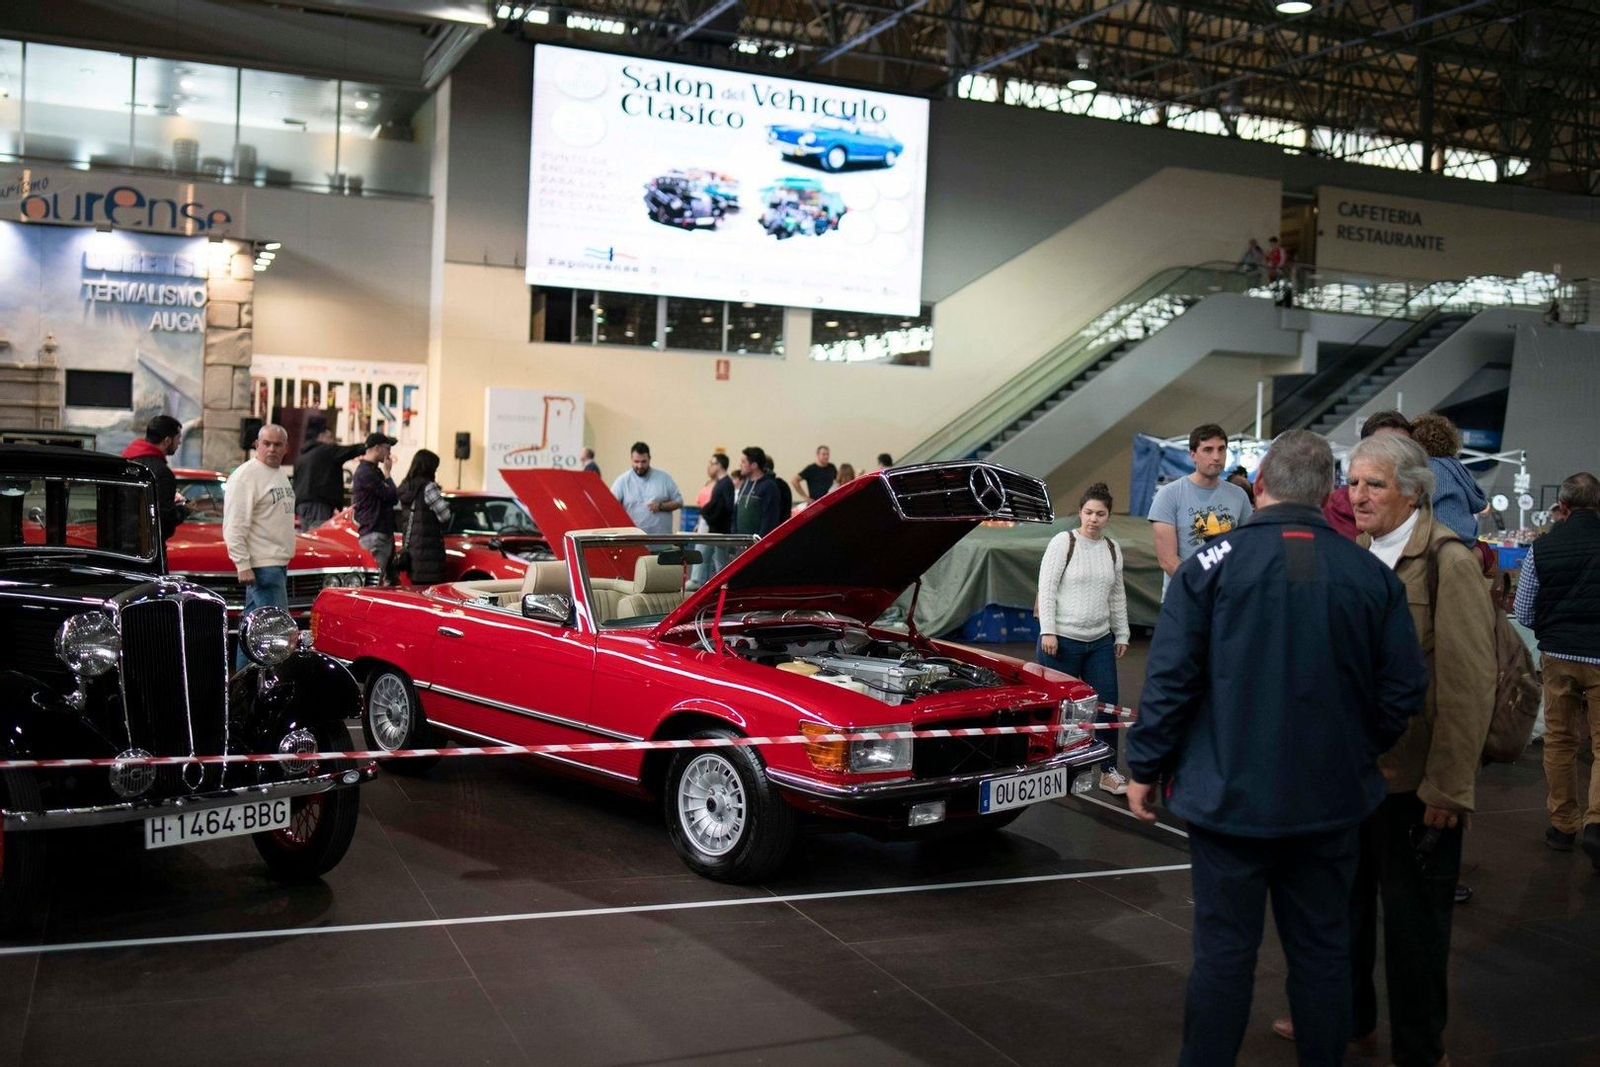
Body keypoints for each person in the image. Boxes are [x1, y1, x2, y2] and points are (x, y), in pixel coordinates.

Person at [1126, 430, 1427, 1067]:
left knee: (1223, 954)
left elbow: (1172, 678)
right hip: (1331, 801)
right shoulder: (1370, 576)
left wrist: (1144, 766)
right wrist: (1358, 746)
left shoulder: (1208, 568)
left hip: (1226, 799)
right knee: (1323, 952)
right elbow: (1403, 685)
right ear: (1328, 494)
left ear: (1257, 484)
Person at [1345, 431, 1497, 1066]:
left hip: (1416, 785)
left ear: (1411, 491)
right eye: (1352, 482)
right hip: (1354, 779)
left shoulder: (1448, 560)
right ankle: (1352, 1023)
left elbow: (1469, 683)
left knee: (1415, 930)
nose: (1358, 496)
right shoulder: (1357, 551)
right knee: (1347, 916)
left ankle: (1419, 1047)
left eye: (1373, 484)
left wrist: (1448, 787)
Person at [1514, 472, 1600, 868]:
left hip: (1558, 655)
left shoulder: (1542, 549)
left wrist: (1551, 632)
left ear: (1562, 507)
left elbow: (1526, 608)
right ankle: (1598, 824)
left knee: (1560, 740)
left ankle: (1562, 824)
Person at [1036, 483, 1130, 795]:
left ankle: (1108, 771)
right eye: (1088, 512)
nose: (1093, 518)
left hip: (1100, 641)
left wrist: (1123, 632)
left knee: (1107, 707)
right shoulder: (1063, 542)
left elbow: (1117, 594)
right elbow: (1046, 589)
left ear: (1108, 516)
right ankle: (1054, 770)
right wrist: (1047, 630)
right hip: (1061, 640)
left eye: (1100, 514)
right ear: (1080, 513)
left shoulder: (1112, 549)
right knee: (1063, 711)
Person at [223, 424, 297, 667]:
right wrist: (242, 564)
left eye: (277, 444)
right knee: (274, 634)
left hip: (276, 564)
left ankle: (244, 690)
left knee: (254, 630)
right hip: (262, 567)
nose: (272, 449)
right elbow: (234, 525)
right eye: (267, 443)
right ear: (257, 444)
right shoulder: (245, 476)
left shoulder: (279, 474)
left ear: (286, 448)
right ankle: (261, 690)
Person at [1149, 423, 1253, 597]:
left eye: (1221, 449)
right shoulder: (1169, 495)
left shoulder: (1239, 496)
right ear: (1193, 455)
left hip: (1226, 599)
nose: (1216, 456)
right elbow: (1168, 561)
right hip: (1185, 599)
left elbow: (1247, 549)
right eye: (1208, 450)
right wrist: (1206, 586)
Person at [1324, 410, 1412, 539]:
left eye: (1404, 450)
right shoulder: (1335, 510)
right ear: (1364, 452)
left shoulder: (1422, 502)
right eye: (1385, 449)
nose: (1396, 458)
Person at [1409, 412, 1488, 544]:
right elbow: (1478, 503)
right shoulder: (1456, 467)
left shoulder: (1433, 469)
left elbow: (1413, 504)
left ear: (1420, 445)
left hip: (1443, 540)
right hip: (1467, 538)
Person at [121, 414, 185, 542]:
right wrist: (184, 510)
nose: (180, 442)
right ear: (167, 441)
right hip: (146, 548)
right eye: (178, 437)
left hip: (120, 545)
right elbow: (164, 521)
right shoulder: (162, 472)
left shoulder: (126, 461)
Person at [292, 419, 363, 532]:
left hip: (301, 503)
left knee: (307, 535)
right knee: (318, 534)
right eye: (330, 437)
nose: (333, 441)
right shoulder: (327, 450)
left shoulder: (301, 457)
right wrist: (368, 445)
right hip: (319, 502)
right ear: (322, 436)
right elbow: (350, 451)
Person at [397, 449, 453, 586]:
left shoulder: (405, 486)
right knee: (431, 594)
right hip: (429, 553)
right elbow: (445, 515)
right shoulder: (428, 487)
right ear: (429, 467)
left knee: (417, 593)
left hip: (412, 550)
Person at [352, 431, 399, 582]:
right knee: (374, 584)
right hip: (374, 534)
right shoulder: (366, 473)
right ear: (377, 448)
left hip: (379, 533)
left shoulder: (372, 471)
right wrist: (388, 474)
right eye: (388, 448)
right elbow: (391, 496)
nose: (389, 453)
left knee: (386, 582)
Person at [610, 441, 682, 536]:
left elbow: (679, 502)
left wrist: (661, 506)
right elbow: (610, 506)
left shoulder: (664, 478)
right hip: (633, 542)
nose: (640, 466)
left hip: (661, 543)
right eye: (636, 462)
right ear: (631, 459)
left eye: (643, 462)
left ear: (649, 459)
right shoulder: (622, 481)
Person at [734, 446, 782, 536]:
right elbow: (736, 512)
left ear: (754, 465)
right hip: (740, 542)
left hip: (758, 544)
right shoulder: (744, 484)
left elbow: (769, 519)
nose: (740, 465)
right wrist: (735, 536)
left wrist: (759, 543)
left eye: (743, 462)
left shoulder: (769, 487)